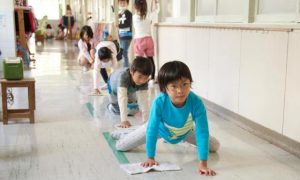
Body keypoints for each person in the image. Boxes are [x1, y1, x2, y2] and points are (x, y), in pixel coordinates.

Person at [111, 61, 220, 176]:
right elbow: (152, 129)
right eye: (174, 86)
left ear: (190, 82)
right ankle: (125, 133)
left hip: (184, 131)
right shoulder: (159, 102)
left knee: (214, 146)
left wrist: (203, 164)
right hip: (159, 129)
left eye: (184, 84)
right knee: (121, 146)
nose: (180, 90)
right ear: (165, 88)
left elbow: (202, 131)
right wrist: (150, 157)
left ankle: (135, 131)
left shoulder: (196, 102)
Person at [107, 57, 153, 128]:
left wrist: (146, 120)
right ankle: (111, 106)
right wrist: (124, 120)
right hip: (113, 85)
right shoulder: (123, 77)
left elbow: (144, 101)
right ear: (132, 71)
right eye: (140, 77)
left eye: (146, 78)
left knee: (133, 104)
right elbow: (122, 99)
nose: (142, 81)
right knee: (117, 108)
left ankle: (130, 106)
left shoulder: (143, 81)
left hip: (129, 88)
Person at [133, 0, 159, 81]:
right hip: (149, 39)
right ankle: (152, 78)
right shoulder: (149, 15)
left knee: (138, 61)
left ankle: (138, 78)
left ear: (135, 7)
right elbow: (156, 11)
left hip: (139, 40)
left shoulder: (134, 17)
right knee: (150, 59)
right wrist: (156, 3)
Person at [118, 0, 132, 67]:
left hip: (126, 36)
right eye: (120, 3)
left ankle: (126, 69)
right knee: (123, 53)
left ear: (127, 3)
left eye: (124, 2)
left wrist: (118, 26)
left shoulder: (128, 13)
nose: (122, 4)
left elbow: (128, 24)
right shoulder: (119, 13)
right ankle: (125, 68)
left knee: (124, 53)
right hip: (121, 36)